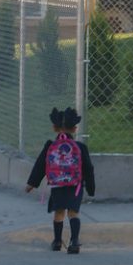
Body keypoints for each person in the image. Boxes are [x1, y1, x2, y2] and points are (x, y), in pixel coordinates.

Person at [25, 107, 95, 254]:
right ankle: (74, 242)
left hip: (58, 185)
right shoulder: (80, 147)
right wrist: (90, 187)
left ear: (54, 127)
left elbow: (40, 165)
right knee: (73, 213)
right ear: (75, 129)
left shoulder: (50, 145)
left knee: (59, 213)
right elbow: (88, 168)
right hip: (75, 186)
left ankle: (57, 241)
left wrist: (32, 183)